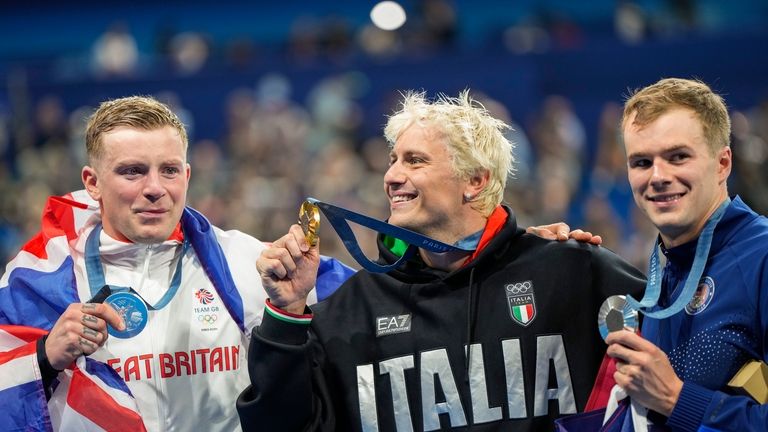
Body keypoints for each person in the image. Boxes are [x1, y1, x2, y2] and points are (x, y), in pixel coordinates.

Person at [236, 91, 646, 431]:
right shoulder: (353, 310)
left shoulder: (570, 273)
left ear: (475, 181)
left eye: (415, 161)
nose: (392, 176)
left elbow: (675, 357)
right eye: (393, 160)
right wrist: (286, 314)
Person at [0, 96, 352, 431]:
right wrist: (44, 357)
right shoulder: (37, 281)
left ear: (186, 176)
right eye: (133, 171)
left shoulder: (250, 263)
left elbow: (373, 308)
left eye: (168, 171)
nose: (155, 188)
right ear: (92, 182)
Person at [604, 78, 768, 430]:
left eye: (678, 157)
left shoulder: (762, 257)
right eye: (642, 162)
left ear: (723, 163)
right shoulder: (664, 275)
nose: (658, 176)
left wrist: (676, 399)